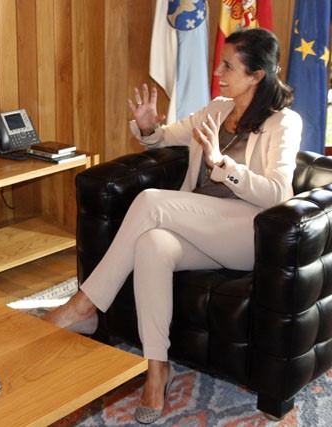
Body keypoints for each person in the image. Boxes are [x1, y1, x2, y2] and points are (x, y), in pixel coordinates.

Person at [42, 28, 301, 424]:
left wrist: (222, 165)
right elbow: (165, 137)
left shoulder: (283, 123)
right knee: (153, 246)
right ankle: (156, 369)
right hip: (199, 226)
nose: (218, 70)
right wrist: (148, 128)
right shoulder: (216, 109)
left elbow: (277, 194)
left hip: (248, 235)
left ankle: (86, 302)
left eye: (229, 65)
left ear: (257, 76)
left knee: (149, 202)